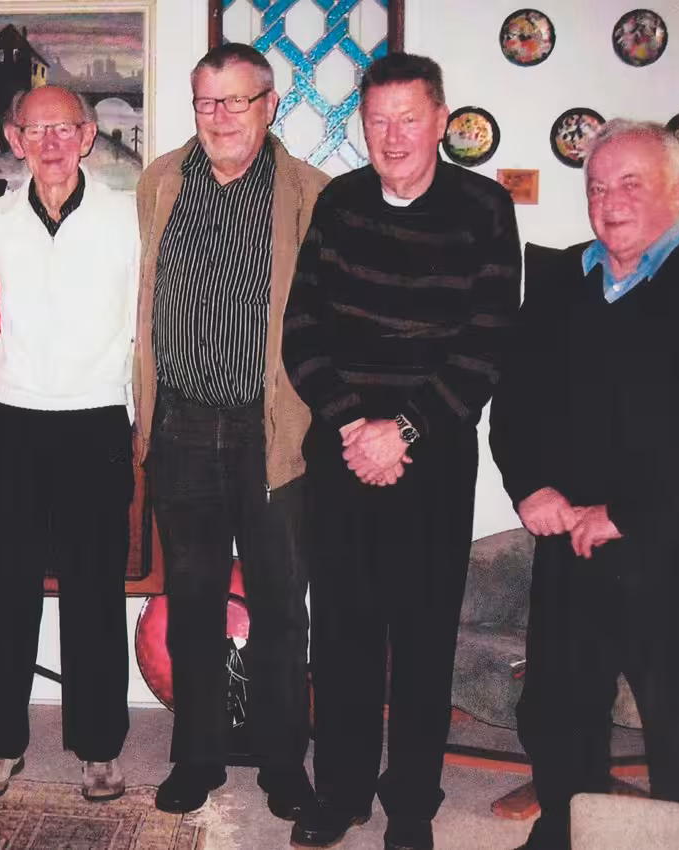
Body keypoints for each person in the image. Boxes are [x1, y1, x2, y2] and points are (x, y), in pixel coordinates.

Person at [489, 120, 679, 850]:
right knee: (559, 712)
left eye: (631, 183)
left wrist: (626, 512)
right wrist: (531, 487)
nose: (609, 202)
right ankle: (564, 833)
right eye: (597, 186)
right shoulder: (560, 280)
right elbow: (513, 403)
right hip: (571, 544)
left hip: (678, 551)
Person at [282, 53, 521, 850]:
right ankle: (341, 792)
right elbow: (302, 331)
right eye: (377, 119)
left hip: (434, 458)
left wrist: (403, 431)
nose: (391, 136)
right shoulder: (340, 202)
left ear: (441, 120)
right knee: (341, 631)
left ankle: (412, 802)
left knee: (422, 637)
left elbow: (487, 343)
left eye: (408, 118)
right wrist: (355, 425)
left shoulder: (484, 208)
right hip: (343, 453)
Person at [134, 43, 329, 818]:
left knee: (280, 605)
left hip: (270, 429)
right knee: (192, 601)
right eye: (205, 101)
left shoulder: (310, 193)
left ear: (269, 105)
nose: (218, 117)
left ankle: (284, 764)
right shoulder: (160, 182)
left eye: (235, 100)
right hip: (180, 423)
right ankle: (198, 757)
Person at [0, 84, 139, 803]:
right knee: (8, 587)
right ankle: (0, 743)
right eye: (35, 131)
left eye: (65, 129)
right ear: (15, 140)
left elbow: (143, 322)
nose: (51, 144)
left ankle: (99, 747)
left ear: (88, 137)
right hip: (14, 419)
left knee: (94, 590)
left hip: (96, 419)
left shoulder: (126, 217)